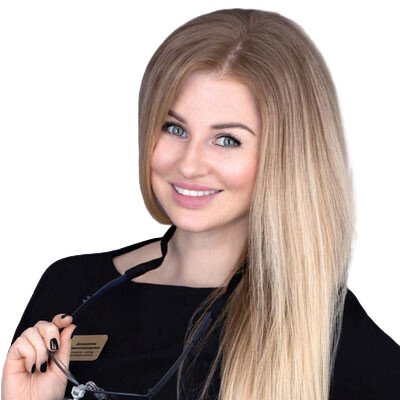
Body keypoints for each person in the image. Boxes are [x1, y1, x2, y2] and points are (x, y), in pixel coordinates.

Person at [2, 7, 400, 400]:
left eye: (227, 140)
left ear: (288, 156)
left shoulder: (322, 327)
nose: (189, 164)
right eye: (174, 128)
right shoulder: (71, 287)